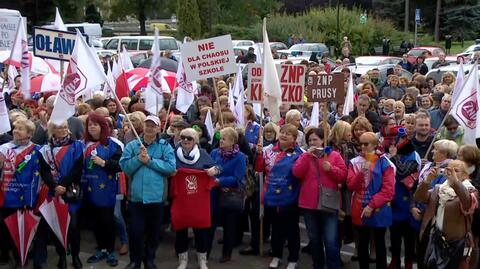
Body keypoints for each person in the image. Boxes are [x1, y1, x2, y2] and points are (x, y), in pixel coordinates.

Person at [120, 115, 176, 269]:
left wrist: (150, 161)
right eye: (147, 125)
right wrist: (138, 159)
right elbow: (124, 166)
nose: (150, 128)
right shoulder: (132, 145)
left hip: (156, 198)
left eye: (153, 126)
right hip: (136, 198)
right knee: (136, 232)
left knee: (153, 233)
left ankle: (149, 259)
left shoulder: (165, 146)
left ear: (158, 128)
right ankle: (135, 260)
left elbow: (171, 168)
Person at [0, 119, 52, 268]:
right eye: (15, 128)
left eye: (20, 129)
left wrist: (55, 187)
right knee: (11, 230)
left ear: (29, 133)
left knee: (31, 229)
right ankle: (18, 258)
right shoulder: (4, 148)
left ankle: (35, 258)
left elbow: (46, 172)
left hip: (30, 198)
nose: (16, 130)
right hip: (8, 197)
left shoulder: (38, 150)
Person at [292, 127, 347, 269]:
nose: (312, 142)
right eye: (309, 140)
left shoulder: (334, 155)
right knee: (314, 240)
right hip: (309, 204)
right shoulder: (305, 156)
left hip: (328, 203)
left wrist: (331, 169)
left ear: (323, 140)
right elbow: (297, 172)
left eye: (315, 139)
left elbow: (343, 175)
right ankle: (318, 265)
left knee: (330, 241)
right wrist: (306, 156)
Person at [36, 121, 85, 269]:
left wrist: (62, 185)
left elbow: (77, 169)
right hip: (53, 192)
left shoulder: (76, 146)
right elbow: (44, 170)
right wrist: (54, 186)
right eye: (59, 127)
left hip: (70, 191)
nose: (63, 130)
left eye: (65, 127)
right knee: (57, 225)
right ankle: (62, 255)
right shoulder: (45, 149)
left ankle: (75, 255)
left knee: (73, 227)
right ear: (52, 130)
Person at [256, 124, 303, 269]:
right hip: (271, 196)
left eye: (288, 133)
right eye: (282, 132)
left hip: (290, 197)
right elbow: (259, 169)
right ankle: (276, 255)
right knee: (276, 229)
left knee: (292, 230)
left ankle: (293, 259)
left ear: (294, 138)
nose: (283, 135)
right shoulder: (267, 150)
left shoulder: (301, 153)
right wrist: (258, 155)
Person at [414, 160, 477, 269]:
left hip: (455, 244)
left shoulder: (471, 190)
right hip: (435, 239)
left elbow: (467, 203)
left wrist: (455, 183)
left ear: (465, 175)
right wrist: (427, 181)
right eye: (448, 170)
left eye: (456, 171)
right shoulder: (440, 188)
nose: (451, 173)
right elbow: (419, 198)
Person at [347, 132, 395, 269]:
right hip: (359, 207)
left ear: (375, 145)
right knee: (362, 244)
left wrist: (371, 205)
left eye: (366, 144)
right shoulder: (354, 162)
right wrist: (362, 172)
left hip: (378, 208)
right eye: (360, 143)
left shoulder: (385, 162)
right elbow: (351, 185)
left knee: (379, 244)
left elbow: (388, 190)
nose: (362, 147)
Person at [172, 128, 218, 269]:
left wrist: (214, 170)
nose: (185, 140)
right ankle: (182, 260)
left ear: (195, 141)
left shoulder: (203, 154)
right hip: (181, 200)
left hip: (199, 202)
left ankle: (202, 260)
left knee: (201, 231)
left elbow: (219, 167)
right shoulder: (174, 154)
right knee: (180, 231)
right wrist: (170, 172)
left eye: (189, 138)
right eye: (183, 137)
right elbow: (165, 167)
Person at [82, 113, 123, 267]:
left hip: (107, 190)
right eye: (89, 124)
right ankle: (101, 249)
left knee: (107, 221)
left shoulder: (113, 145)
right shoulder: (83, 144)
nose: (92, 127)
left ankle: (111, 250)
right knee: (95, 222)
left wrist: (103, 163)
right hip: (89, 189)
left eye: (95, 124)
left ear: (102, 127)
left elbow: (119, 165)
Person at [210, 127, 247, 263]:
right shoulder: (214, 153)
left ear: (232, 141)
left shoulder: (240, 157)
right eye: (220, 137)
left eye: (224, 138)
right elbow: (208, 168)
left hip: (230, 195)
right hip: (214, 192)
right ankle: (205, 252)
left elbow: (238, 177)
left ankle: (227, 253)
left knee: (229, 226)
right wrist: (216, 183)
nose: (220, 140)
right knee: (210, 225)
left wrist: (221, 182)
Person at [388, 130, 421, 269]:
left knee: (409, 237)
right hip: (395, 200)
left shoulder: (414, 156)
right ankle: (395, 259)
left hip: (408, 202)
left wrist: (394, 157)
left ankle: (408, 262)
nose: (394, 143)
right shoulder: (393, 154)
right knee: (394, 235)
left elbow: (402, 172)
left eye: (399, 140)